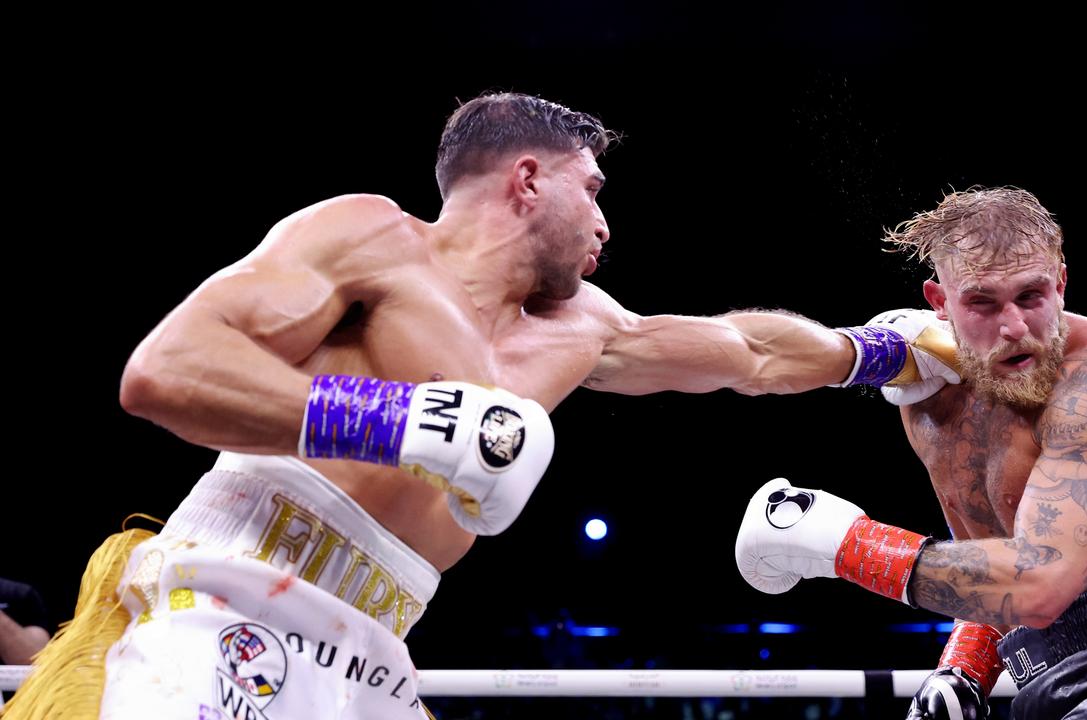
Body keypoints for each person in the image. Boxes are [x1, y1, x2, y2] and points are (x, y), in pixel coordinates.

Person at [4, 92, 950, 720]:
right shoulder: (372, 238)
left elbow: (745, 352)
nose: (607, 222)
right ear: (528, 180)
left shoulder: (586, 328)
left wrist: (882, 351)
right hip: (227, 595)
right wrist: (402, 421)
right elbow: (165, 372)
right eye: (594, 189)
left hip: (374, 648)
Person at [735, 187, 1087, 719]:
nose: (1013, 326)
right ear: (940, 304)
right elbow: (999, 559)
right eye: (982, 302)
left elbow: (1040, 580)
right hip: (1048, 681)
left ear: (1061, 284)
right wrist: (963, 668)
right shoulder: (935, 408)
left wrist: (845, 544)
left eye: (1030, 296)